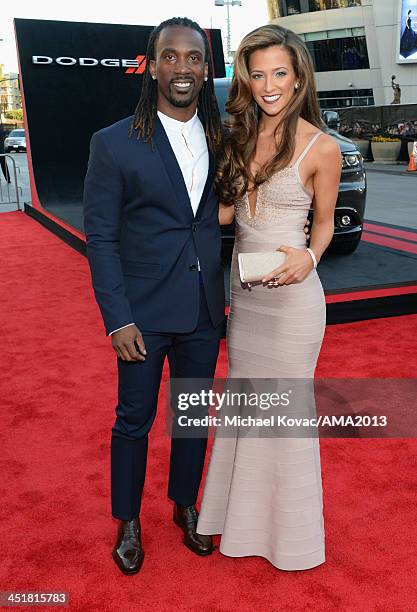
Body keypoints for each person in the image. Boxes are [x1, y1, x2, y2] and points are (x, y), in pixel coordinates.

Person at [83, 17, 225, 575]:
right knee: (134, 419)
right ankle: (128, 521)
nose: (182, 68)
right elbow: (101, 238)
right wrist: (117, 320)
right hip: (141, 314)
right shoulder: (114, 142)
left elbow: (220, 216)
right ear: (152, 64)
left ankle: (185, 507)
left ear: (205, 65)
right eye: (170, 56)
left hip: (203, 309)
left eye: (193, 57)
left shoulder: (221, 135)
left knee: (192, 417)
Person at [197, 24, 341, 570]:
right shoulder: (237, 137)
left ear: (299, 76)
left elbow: (324, 224)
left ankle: (291, 539)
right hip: (247, 295)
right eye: (257, 74)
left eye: (280, 72)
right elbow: (226, 218)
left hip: (293, 302)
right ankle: (233, 522)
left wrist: (311, 255)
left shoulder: (321, 146)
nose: (268, 84)